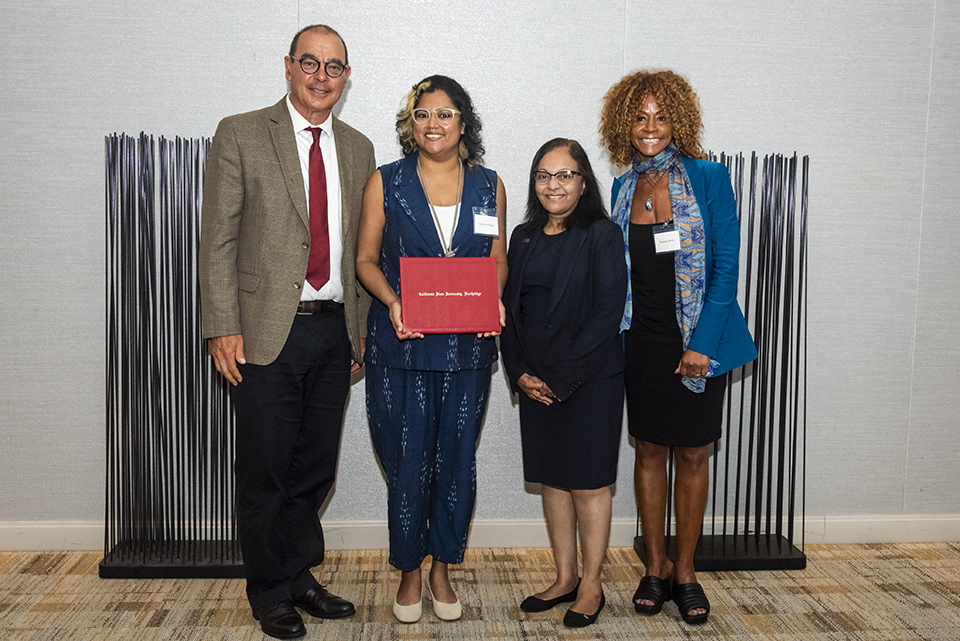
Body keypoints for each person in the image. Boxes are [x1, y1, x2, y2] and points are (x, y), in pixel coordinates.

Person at [198, 24, 375, 640]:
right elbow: (217, 237)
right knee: (266, 468)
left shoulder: (358, 147)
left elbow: (362, 248)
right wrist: (221, 325)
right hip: (263, 332)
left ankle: (300, 574)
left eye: (334, 67)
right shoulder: (242, 133)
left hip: (334, 333)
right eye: (310, 63)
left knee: (314, 468)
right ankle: (268, 589)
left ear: (346, 77)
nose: (321, 76)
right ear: (288, 66)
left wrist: (361, 329)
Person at [599, 70, 758, 626]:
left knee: (692, 452)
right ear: (623, 122)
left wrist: (702, 345)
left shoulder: (709, 179)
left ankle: (686, 571)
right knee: (648, 450)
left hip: (699, 338)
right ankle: (656, 566)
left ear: (679, 122)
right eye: (639, 117)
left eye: (662, 117)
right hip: (640, 341)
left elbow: (725, 267)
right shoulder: (623, 188)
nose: (650, 128)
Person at [355, 75, 507, 623]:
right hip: (400, 347)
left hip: (467, 349)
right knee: (406, 460)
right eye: (422, 114)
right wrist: (394, 301)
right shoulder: (386, 182)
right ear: (410, 123)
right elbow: (365, 261)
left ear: (463, 124)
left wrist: (495, 299)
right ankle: (410, 570)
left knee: (456, 460)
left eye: (445, 114)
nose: (433, 124)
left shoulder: (490, 185)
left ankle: (442, 566)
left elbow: (496, 259)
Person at [500, 139, 626, 628]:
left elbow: (606, 314)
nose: (554, 185)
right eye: (543, 175)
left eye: (565, 175)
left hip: (589, 380)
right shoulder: (523, 236)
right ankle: (565, 576)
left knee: (590, 486)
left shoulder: (603, 234)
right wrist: (519, 373)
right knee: (553, 481)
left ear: (583, 181)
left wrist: (560, 378)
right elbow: (507, 311)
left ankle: (591, 584)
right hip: (534, 380)